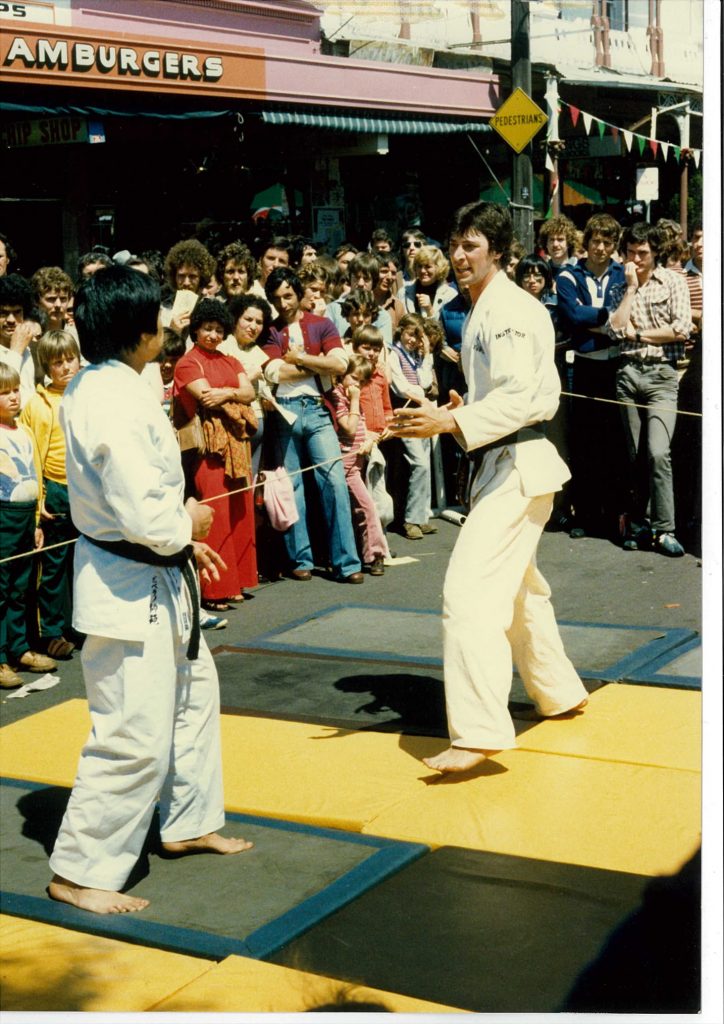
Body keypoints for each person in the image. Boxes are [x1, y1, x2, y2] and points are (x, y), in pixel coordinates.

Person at [47, 265, 251, 916]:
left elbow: (140, 500)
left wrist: (178, 537)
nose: (168, 326)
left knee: (192, 696)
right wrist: (183, 524)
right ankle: (79, 870)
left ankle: (187, 819)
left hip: (155, 571)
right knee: (130, 728)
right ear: (137, 330)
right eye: (159, 318)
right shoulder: (109, 397)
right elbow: (139, 511)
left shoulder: (119, 384)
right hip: (127, 579)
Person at [390, 201, 588, 773]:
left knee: (469, 594)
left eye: (471, 246)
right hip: (505, 462)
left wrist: (452, 422)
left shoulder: (508, 309)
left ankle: (479, 732)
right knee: (521, 594)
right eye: (455, 245)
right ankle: (559, 691)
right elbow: (502, 394)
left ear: (498, 251)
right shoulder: (480, 308)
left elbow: (525, 398)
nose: (458, 256)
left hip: (521, 465)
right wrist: (463, 408)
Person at [261, 266, 363, 584]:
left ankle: (347, 562)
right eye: (276, 299)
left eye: (288, 295)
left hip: (318, 411)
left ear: (299, 292)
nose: (284, 304)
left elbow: (341, 363)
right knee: (293, 487)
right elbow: (275, 374)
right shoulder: (268, 330)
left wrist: (301, 359)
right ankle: (299, 558)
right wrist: (320, 367)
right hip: (284, 413)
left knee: (333, 482)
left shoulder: (321, 323)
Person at [606, 222, 692, 556]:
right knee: (634, 455)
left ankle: (664, 528)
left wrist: (639, 335)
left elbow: (681, 328)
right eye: (630, 252)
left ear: (655, 253)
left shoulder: (673, 281)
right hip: (628, 374)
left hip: (661, 376)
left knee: (658, 451)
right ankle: (637, 524)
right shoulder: (620, 284)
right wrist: (629, 290)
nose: (636, 259)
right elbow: (615, 330)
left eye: (643, 253)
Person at [174, 298, 258, 610]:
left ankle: (237, 582)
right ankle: (215, 589)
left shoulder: (230, 360)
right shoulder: (187, 362)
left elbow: (248, 392)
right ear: (195, 328)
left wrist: (227, 394)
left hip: (237, 444)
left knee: (240, 511)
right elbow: (204, 398)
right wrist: (235, 404)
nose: (213, 335)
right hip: (208, 447)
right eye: (208, 328)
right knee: (216, 514)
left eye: (219, 330)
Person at [556, 213, 627, 539]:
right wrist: (608, 321)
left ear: (614, 246)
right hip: (583, 365)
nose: (600, 248)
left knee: (612, 445)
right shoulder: (570, 275)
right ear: (586, 244)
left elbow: (627, 319)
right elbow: (571, 315)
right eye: (595, 241)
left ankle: (611, 518)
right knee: (583, 442)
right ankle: (583, 515)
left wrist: (596, 323)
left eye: (607, 242)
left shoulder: (621, 275)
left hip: (613, 367)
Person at [19, 330, 81, 660]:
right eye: (58, 363)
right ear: (46, 366)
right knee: (53, 565)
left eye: (70, 359)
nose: (66, 367)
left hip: (85, 488)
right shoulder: (39, 404)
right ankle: (50, 632)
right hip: (56, 489)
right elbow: (34, 456)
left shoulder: (86, 395)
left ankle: (79, 623)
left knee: (84, 560)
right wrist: (41, 499)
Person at [0, 363, 55, 688]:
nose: (12, 398)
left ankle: (20, 648)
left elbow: (34, 473)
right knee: (1, 589)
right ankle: (1, 658)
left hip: (24, 518)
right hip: (2, 517)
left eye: (15, 390)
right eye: (3, 393)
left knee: (21, 588)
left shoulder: (24, 431)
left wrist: (36, 520)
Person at [328, 354, 389, 575]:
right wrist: (354, 399)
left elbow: (362, 431)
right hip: (346, 465)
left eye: (362, 382)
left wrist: (371, 440)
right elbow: (349, 428)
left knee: (359, 510)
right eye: (353, 378)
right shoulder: (338, 397)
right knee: (367, 507)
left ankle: (367, 552)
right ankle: (376, 555)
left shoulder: (351, 399)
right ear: (341, 376)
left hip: (358, 461)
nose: (357, 385)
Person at [388, 313, 436, 540]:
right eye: (410, 334)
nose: (413, 340)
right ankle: (410, 520)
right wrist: (420, 393)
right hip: (405, 413)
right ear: (401, 331)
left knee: (424, 462)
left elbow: (425, 382)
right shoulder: (393, 354)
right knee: (419, 464)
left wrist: (426, 354)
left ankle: (421, 516)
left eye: (418, 337)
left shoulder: (417, 356)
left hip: (420, 412)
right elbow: (400, 386)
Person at [222, 293, 273, 477]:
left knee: (250, 483)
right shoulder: (223, 347)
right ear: (236, 318)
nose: (253, 326)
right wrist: (250, 375)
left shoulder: (258, 352)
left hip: (259, 421)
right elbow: (222, 384)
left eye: (259, 322)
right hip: (235, 423)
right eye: (248, 319)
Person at [0, 273, 40, 408]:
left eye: (17, 312)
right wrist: (16, 351)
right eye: (3, 313)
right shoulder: (20, 347)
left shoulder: (30, 346)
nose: (11, 320)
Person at [162, 239, 216, 335]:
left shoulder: (211, 309)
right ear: (174, 276)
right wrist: (172, 331)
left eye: (192, 276)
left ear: (201, 278)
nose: (186, 283)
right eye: (181, 276)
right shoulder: (164, 310)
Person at [399, 245, 457, 320]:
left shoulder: (450, 295)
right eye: (419, 266)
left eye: (428, 266)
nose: (422, 271)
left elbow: (448, 328)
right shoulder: (403, 292)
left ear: (439, 267)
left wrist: (430, 310)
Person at [30, 266, 74, 333]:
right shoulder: (28, 337)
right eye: (51, 299)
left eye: (63, 299)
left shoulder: (76, 334)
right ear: (37, 301)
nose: (58, 305)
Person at [538, 215, 578, 283]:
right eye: (551, 240)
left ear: (569, 243)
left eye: (560, 239)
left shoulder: (578, 269)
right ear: (546, 243)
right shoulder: (542, 271)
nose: (555, 244)